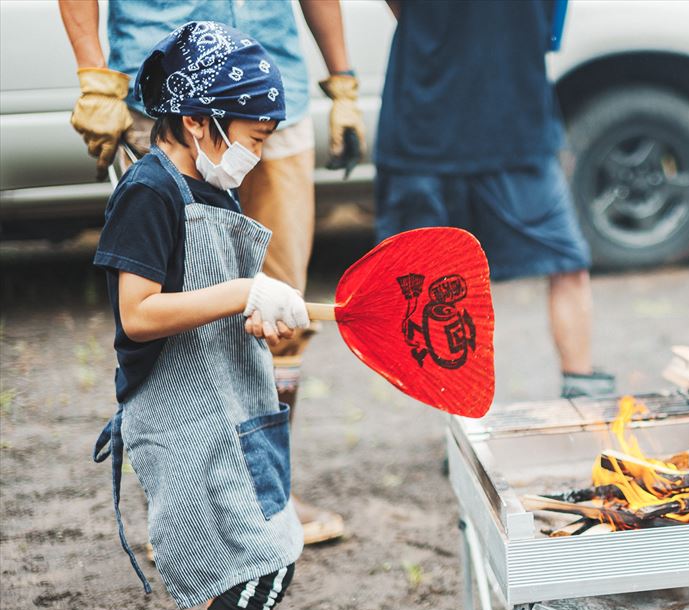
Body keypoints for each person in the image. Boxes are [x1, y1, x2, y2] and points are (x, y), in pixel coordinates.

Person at [90, 22, 311, 610]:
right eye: (254, 133)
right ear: (197, 120)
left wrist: (257, 314)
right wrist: (244, 289)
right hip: (184, 414)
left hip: (234, 397)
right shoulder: (149, 190)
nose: (259, 149)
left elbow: (206, 296)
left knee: (270, 532)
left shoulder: (210, 179)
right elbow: (140, 313)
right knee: (262, 560)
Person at [60, 0, 364, 543]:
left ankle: (266, 488)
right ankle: (185, 509)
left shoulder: (264, 129)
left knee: (282, 317)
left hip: (277, 86)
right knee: (185, 327)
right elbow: (141, 315)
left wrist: (341, 78)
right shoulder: (156, 181)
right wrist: (93, 73)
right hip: (168, 90)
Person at [374, 0, 614, 399]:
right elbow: (551, 31)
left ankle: (581, 392)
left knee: (567, 261)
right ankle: (460, 417)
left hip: (502, 127)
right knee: (441, 286)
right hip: (436, 129)